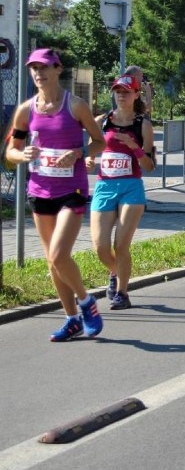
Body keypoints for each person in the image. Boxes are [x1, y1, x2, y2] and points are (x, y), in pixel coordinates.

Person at [6, 48, 106, 341]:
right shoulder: (26, 110)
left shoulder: (75, 106)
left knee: (59, 254)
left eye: (44, 67)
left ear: (58, 69)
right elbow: (10, 152)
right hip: (39, 190)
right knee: (52, 260)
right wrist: (22, 155)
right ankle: (71, 318)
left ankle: (87, 303)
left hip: (71, 190)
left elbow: (99, 142)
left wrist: (79, 152)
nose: (39, 73)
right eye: (33, 69)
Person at [86, 75, 156, 310]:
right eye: (118, 91)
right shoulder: (101, 121)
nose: (121, 95)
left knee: (121, 245)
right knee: (100, 246)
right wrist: (88, 161)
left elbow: (149, 166)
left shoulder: (143, 125)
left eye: (127, 91)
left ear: (136, 95)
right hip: (104, 186)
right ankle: (115, 272)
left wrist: (134, 146)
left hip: (131, 188)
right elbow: (90, 153)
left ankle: (122, 293)